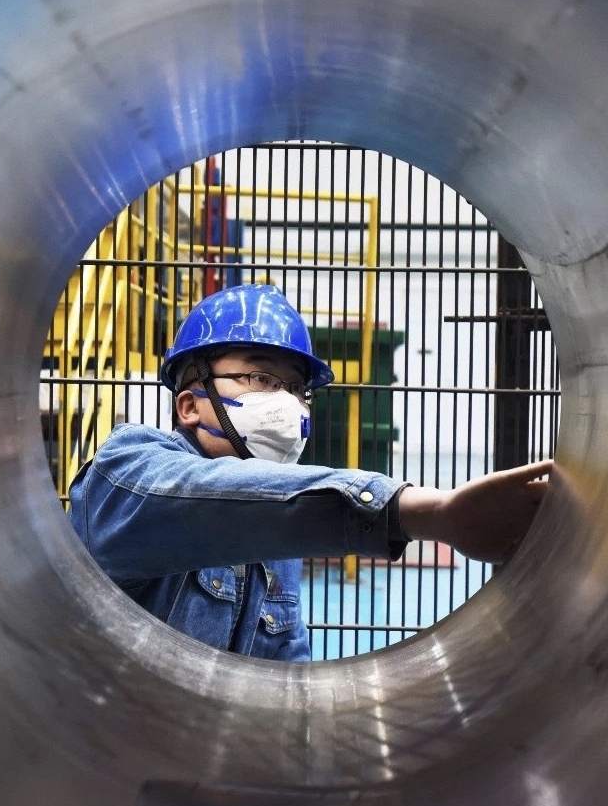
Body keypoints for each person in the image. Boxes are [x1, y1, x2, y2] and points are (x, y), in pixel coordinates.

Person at [68, 283, 553, 662]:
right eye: (260, 377)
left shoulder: (278, 538)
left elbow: (286, 670)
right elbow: (203, 498)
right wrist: (427, 513)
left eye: (297, 389)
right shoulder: (123, 473)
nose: (285, 402)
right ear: (190, 406)